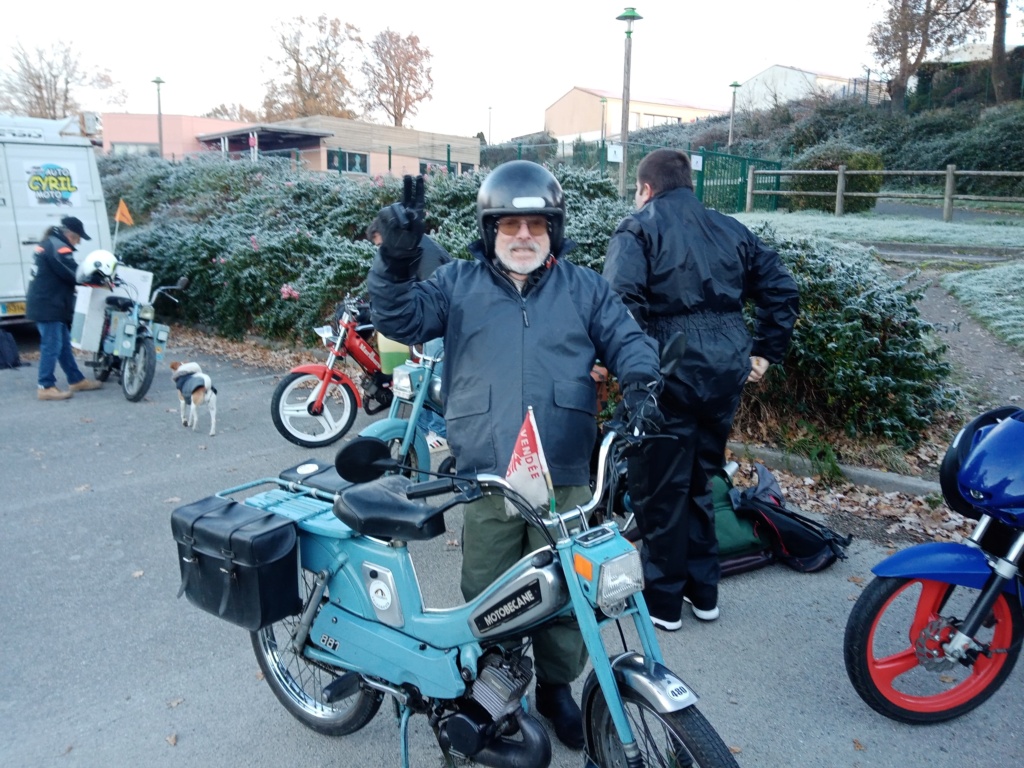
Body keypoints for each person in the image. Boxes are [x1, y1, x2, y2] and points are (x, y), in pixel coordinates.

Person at [368, 163, 662, 750]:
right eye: (510, 224)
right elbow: (397, 318)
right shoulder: (456, 283)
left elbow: (628, 341)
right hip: (487, 472)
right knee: (488, 590)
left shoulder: (585, 288)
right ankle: (495, 690)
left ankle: (556, 689)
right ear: (489, 230)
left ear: (553, 229)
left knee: (566, 594)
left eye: (536, 224)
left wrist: (642, 386)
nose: (523, 235)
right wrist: (394, 263)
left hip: (566, 472)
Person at [603, 148, 799, 631]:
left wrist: (628, 366)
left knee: (658, 488)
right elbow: (781, 288)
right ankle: (703, 591)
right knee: (701, 479)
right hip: (724, 369)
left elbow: (619, 306)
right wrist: (765, 352)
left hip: (666, 367)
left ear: (646, 188)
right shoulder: (730, 228)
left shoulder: (638, 228)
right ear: (688, 184)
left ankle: (664, 603)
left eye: (637, 190)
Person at [365, 213, 453, 449]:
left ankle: (440, 432)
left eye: (381, 244)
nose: (382, 251)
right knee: (422, 378)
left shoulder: (423, 252)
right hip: (430, 323)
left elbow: (435, 293)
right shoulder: (411, 249)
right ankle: (423, 429)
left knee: (435, 379)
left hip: (443, 324)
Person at [25, 216, 104, 401]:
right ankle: (45, 386)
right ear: (70, 234)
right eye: (78, 238)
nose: (78, 242)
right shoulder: (59, 247)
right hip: (49, 304)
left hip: (48, 302)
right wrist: (97, 279)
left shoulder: (48, 242)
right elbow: (73, 274)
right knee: (51, 346)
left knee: (62, 346)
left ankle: (76, 380)